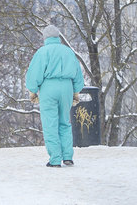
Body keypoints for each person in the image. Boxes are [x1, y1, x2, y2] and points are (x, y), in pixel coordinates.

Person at [26, 25, 84, 168]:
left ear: (45, 38)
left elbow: (34, 74)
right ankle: (68, 157)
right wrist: (76, 92)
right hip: (66, 89)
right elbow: (78, 74)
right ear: (58, 37)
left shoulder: (42, 52)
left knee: (50, 124)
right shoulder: (68, 52)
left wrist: (32, 91)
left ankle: (55, 159)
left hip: (48, 89)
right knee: (64, 122)